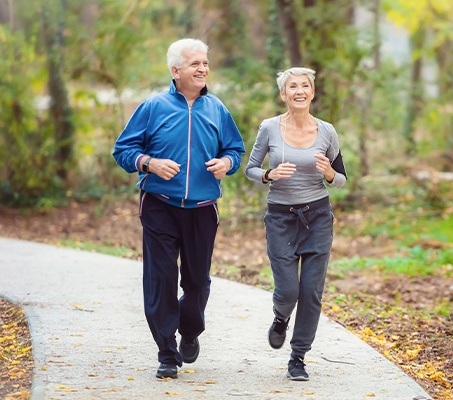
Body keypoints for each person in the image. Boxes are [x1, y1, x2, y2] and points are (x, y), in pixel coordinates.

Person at [113, 38, 245, 380]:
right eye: (194, 64)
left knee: (197, 283)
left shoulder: (217, 108)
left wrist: (227, 163)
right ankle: (167, 353)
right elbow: (123, 150)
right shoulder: (153, 107)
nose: (202, 68)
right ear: (176, 71)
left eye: (205, 62)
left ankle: (189, 331)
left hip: (202, 208)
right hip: (160, 205)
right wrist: (149, 163)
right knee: (161, 279)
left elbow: (235, 148)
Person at [245, 67, 347, 381]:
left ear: (312, 93)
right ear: (283, 94)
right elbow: (250, 168)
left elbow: (341, 180)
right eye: (292, 86)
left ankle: (298, 356)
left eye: (305, 86)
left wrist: (329, 173)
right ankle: (280, 318)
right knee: (289, 290)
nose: (299, 91)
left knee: (312, 291)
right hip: (280, 218)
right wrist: (267, 175)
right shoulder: (269, 127)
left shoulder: (327, 131)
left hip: (317, 217)